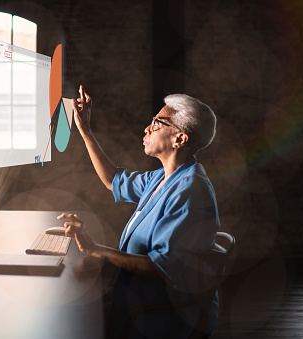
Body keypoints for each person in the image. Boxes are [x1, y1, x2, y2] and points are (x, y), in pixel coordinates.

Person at [58, 86, 220, 338]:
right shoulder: (163, 177)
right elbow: (114, 180)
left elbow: (161, 269)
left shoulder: (189, 192)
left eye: (157, 123)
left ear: (180, 139)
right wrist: (86, 131)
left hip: (158, 312)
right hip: (137, 296)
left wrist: (96, 249)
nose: (147, 128)